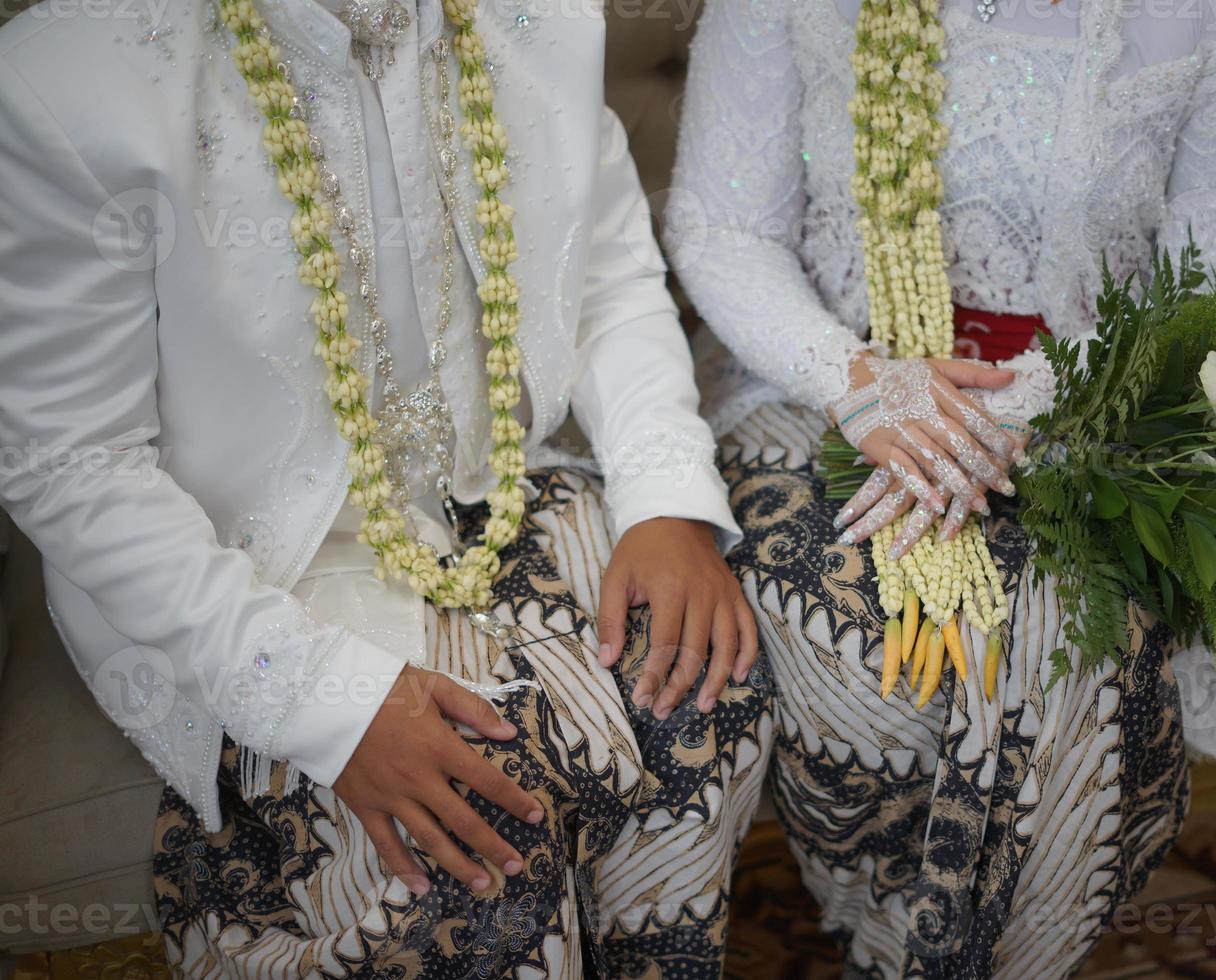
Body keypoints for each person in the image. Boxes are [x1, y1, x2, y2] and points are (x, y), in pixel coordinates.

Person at [0, 0, 772, 974]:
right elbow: (76, 460)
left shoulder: (537, 19)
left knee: (709, 682)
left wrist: (664, 499)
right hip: (262, 565)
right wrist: (328, 702)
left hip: (507, 484)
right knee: (473, 848)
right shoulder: (66, 82)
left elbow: (611, 274)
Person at [670, 0, 1216, 975]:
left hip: (1101, 403)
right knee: (870, 690)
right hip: (821, 380)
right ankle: (886, 944)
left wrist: (1006, 416)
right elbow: (720, 225)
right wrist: (860, 383)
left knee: (1087, 677)